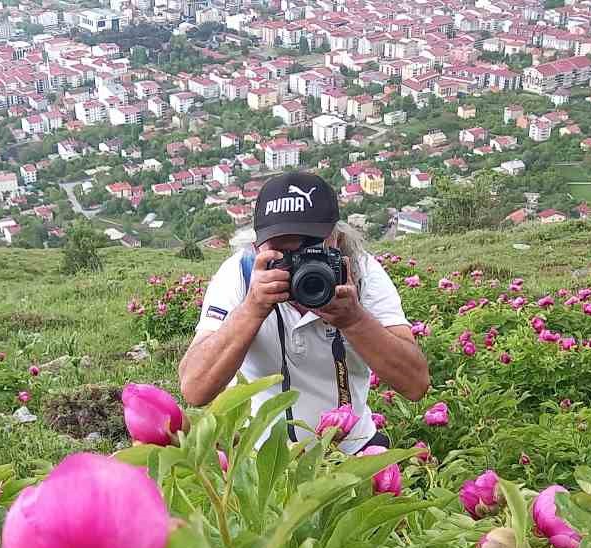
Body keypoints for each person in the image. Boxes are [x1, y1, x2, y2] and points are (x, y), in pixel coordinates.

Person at [178, 171, 430, 452]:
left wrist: (355, 320)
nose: (299, 264)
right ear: (256, 246)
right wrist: (252, 309)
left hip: (350, 449)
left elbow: (415, 383)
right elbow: (194, 388)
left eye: (311, 248)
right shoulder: (240, 275)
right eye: (282, 253)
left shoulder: (362, 273)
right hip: (265, 457)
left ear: (336, 238)